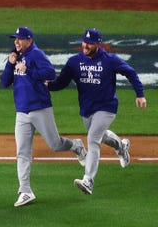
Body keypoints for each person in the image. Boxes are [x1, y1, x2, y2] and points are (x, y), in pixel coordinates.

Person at [47, 28, 147, 195]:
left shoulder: (110, 60)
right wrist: (46, 86)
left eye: (90, 43)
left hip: (106, 107)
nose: (85, 45)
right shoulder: (74, 62)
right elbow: (61, 83)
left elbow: (130, 72)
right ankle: (121, 147)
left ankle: (88, 180)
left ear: (98, 44)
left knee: (93, 139)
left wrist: (140, 94)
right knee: (101, 136)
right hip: (87, 110)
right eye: (84, 42)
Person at [0, 27, 88, 207]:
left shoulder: (36, 54)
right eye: (15, 39)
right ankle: (25, 191)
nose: (16, 42)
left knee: (55, 144)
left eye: (20, 39)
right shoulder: (15, 55)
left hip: (40, 108)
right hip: (21, 112)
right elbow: (4, 82)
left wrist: (28, 70)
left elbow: (50, 74)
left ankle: (76, 146)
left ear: (29, 40)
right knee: (22, 152)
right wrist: (10, 64)